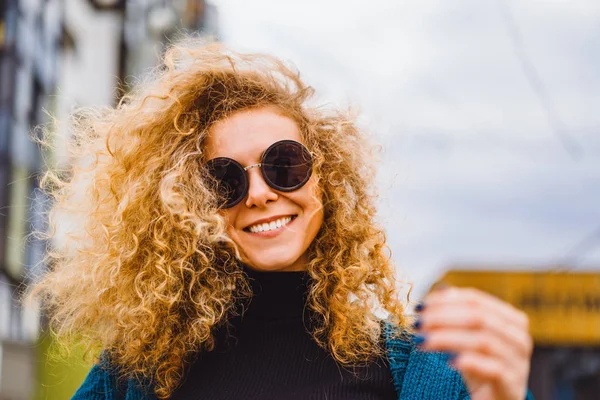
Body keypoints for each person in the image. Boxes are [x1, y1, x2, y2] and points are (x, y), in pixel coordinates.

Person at [25, 38, 534, 400]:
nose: (262, 194)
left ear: (325, 179)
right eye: (225, 179)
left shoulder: (427, 375)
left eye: (284, 165)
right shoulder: (132, 378)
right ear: (194, 204)